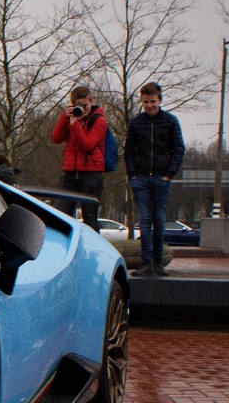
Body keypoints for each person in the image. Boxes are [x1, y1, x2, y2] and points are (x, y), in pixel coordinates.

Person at [123, 81, 185, 276]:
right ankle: (146, 261)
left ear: (159, 100)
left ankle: (158, 262)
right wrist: (132, 174)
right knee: (144, 220)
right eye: (145, 102)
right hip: (140, 178)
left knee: (159, 220)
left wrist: (169, 173)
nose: (149, 105)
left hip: (161, 178)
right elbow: (128, 150)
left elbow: (179, 148)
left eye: (152, 101)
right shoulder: (135, 122)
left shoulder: (170, 121)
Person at [50, 86, 108, 230]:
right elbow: (56, 138)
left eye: (85, 105)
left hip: (91, 174)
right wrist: (66, 116)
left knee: (89, 217)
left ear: (91, 102)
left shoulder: (99, 121)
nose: (83, 109)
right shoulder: (70, 117)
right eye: (78, 105)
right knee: (62, 215)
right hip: (69, 172)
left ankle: (94, 251)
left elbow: (87, 145)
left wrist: (75, 125)